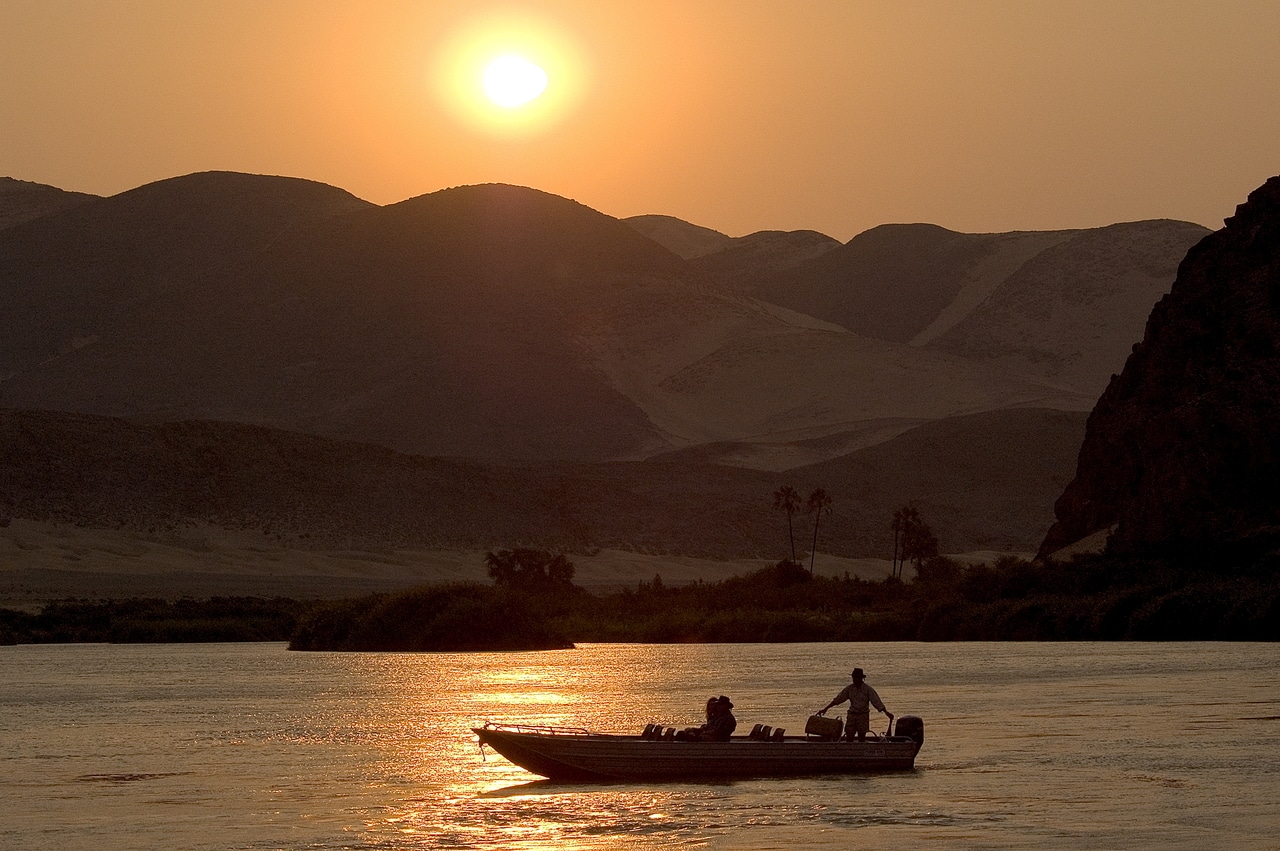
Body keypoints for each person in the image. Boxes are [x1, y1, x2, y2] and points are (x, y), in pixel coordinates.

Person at [816, 667, 893, 741]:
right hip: (852, 715)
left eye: (857, 678)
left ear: (861, 678)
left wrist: (886, 712)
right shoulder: (849, 689)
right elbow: (838, 699)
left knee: (861, 737)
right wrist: (826, 708)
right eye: (854, 678)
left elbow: (876, 702)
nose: (855, 680)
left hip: (863, 715)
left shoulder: (867, 690)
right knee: (849, 736)